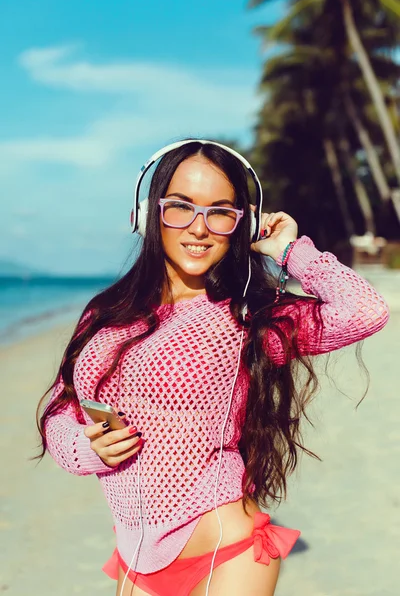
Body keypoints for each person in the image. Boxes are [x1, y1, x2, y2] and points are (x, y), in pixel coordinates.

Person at [36, 140, 389, 596]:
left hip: (227, 553)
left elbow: (365, 311)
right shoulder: (107, 312)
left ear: (241, 224)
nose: (199, 228)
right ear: (150, 214)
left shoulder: (248, 317)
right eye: (181, 207)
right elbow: (62, 407)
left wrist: (289, 250)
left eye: (220, 212)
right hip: (134, 553)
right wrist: (84, 450)